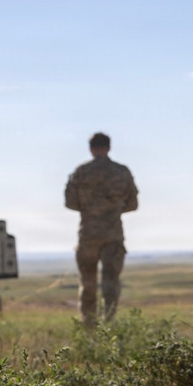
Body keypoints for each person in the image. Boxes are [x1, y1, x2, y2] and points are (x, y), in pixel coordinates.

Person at [64, 133, 138, 327]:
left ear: (91, 148)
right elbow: (133, 203)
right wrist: (112, 210)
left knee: (88, 283)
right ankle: (109, 326)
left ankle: (89, 327)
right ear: (109, 147)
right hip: (113, 235)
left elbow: (70, 202)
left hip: (88, 235)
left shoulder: (81, 172)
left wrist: (91, 210)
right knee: (111, 283)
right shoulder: (122, 172)